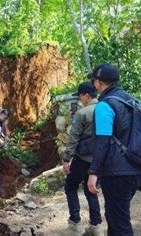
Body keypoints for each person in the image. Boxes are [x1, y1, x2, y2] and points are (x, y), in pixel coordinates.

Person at [86, 63, 141, 235]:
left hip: (117, 172)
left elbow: (102, 141)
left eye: (94, 80)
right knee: (116, 217)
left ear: (98, 82)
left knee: (119, 222)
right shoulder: (131, 100)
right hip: (137, 168)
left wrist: (93, 172)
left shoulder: (105, 106)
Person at [62, 82, 103, 235]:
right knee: (91, 189)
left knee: (70, 186)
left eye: (80, 96)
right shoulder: (105, 109)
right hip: (99, 160)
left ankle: (75, 224)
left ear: (86, 95)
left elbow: (73, 138)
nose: (80, 100)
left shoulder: (82, 113)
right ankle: (96, 225)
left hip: (83, 159)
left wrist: (66, 159)